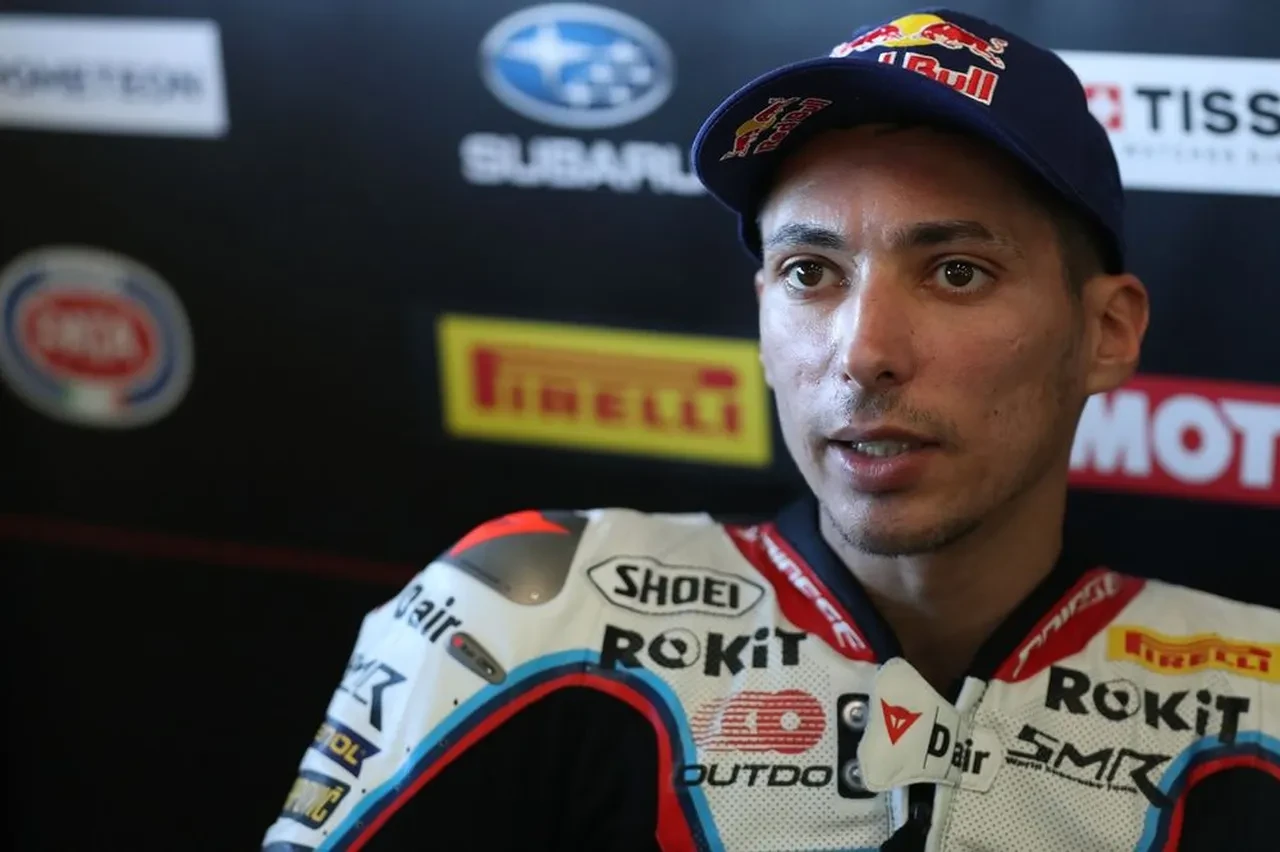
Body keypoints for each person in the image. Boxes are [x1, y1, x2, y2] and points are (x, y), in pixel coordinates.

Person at [262, 8, 1279, 851]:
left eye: (955, 271)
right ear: (760, 312)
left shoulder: (1256, 702)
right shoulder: (530, 617)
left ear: (1105, 333)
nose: (862, 352)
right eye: (810, 273)